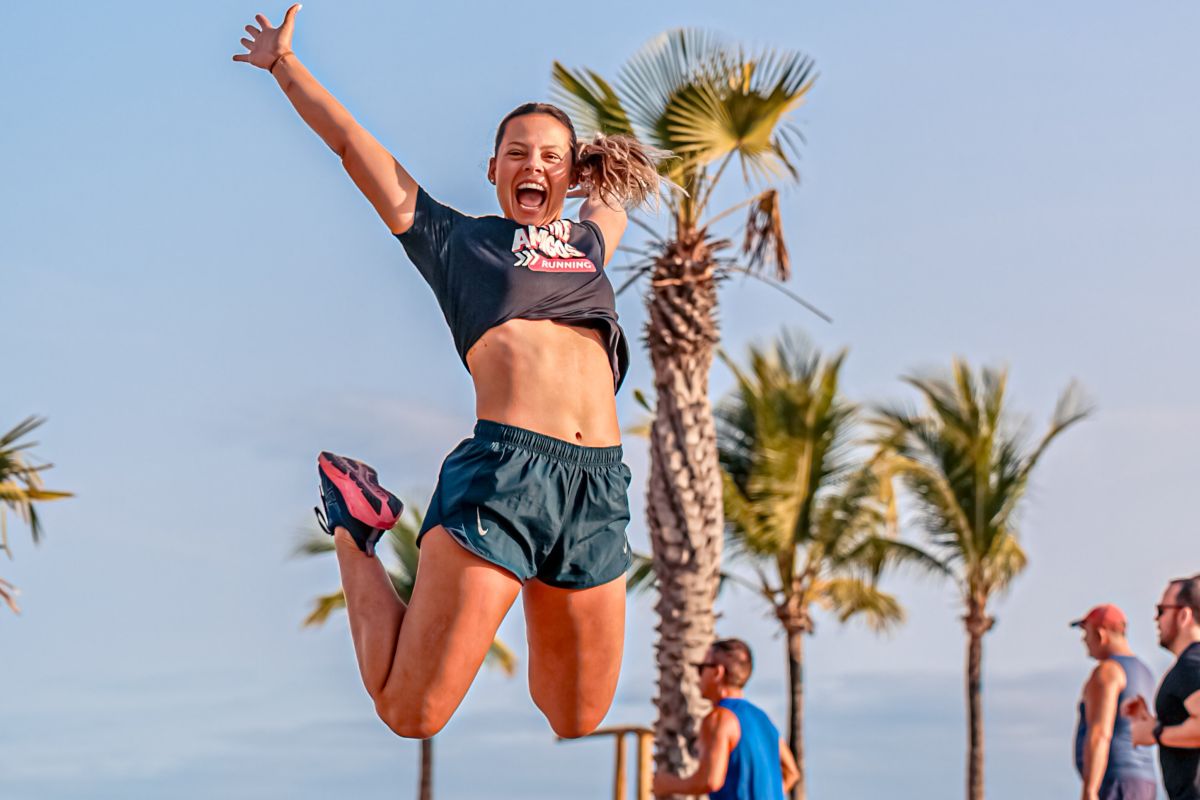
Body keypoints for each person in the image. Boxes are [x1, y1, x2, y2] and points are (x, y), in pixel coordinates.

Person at [233, 5, 665, 739]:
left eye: (551, 157)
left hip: (597, 483)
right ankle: (354, 528)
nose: (534, 167)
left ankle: (503, 578)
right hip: (506, 475)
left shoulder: (591, 242)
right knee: (411, 711)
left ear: (568, 175)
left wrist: (599, 160)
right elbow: (349, 145)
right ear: (493, 169)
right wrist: (284, 65)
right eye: (518, 154)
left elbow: (621, 184)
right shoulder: (454, 241)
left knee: (575, 713)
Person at [652, 639, 799, 799]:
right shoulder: (763, 719)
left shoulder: (720, 718)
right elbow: (791, 773)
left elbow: (710, 780)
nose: (698, 676)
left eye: (701, 668)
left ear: (717, 672)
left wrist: (666, 784)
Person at [1124, 574, 1200, 800]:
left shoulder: (1192, 663)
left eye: (1161, 610)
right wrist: (1152, 723)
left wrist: (1156, 733)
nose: (1156, 619)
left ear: (1184, 615)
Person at [1071, 604, 1158, 800]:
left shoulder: (1108, 671)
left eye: (1086, 632)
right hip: (1144, 783)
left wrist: (1090, 790)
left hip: (1115, 782)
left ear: (1101, 634)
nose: (1084, 640)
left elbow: (1100, 732)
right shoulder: (1145, 672)